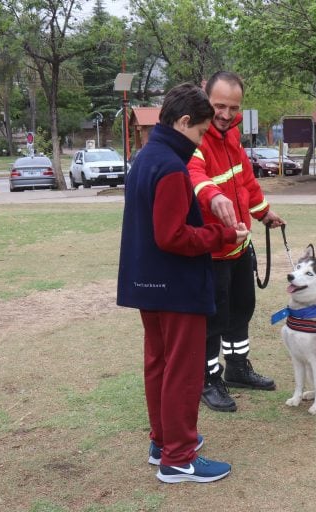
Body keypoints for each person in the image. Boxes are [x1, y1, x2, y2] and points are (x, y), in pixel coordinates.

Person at [117, 83, 248, 484]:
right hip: (176, 288)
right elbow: (172, 236)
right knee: (183, 370)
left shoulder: (146, 157)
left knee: (159, 364)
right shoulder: (172, 167)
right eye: (200, 133)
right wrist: (223, 236)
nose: (201, 142)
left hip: (147, 284)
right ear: (185, 121)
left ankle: (163, 444)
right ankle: (179, 458)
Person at [188, 71, 285, 412]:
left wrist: (264, 213)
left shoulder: (232, 138)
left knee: (241, 310)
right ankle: (207, 379)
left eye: (233, 107)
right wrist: (213, 197)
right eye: (219, 106)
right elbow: (195, 176)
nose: (226, 115)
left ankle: (238, 368)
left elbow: (245, 181)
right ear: (205, 98)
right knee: (212, 320)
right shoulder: (196, 139)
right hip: (211, 252)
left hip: (240, 245)